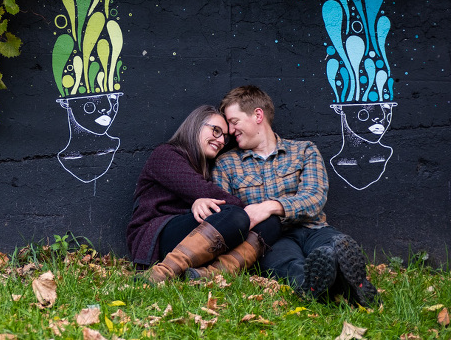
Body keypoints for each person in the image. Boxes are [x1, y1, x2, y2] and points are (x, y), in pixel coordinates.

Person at [212, 85, 378, 306]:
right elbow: (228, 215)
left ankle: (346, 279)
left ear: (258, 115)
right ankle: (329, 286)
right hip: (271, 239)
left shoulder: (304, 150)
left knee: (332, 248)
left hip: (314, 228)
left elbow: (314, 197)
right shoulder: (226, 164)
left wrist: (269, 207)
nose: (230, 131)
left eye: (234, 122)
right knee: (288, 265)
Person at [126, 105, 280, 283]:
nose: (221, 140)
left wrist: (262, 213)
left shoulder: (206, 166)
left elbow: (203, 195)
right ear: (196, 125)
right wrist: (252, 211)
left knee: (271, 223)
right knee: (237, 216)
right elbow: (202, 190)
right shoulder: (166, 155)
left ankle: (210, 275)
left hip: (197, 235)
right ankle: (162, 273)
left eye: (225, 137)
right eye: (216, 131)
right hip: (156, 236)